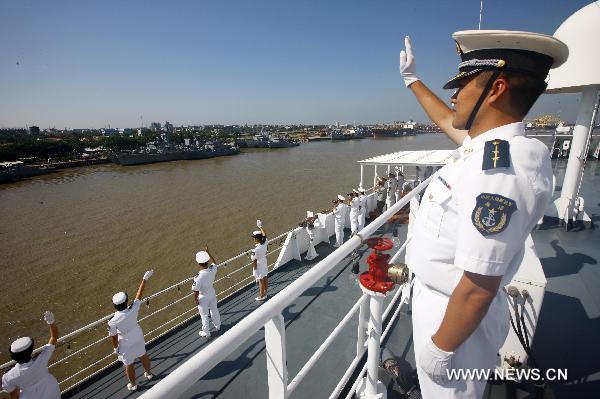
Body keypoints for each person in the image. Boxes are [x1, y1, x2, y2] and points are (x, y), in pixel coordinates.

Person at [399, 30, 567, 399]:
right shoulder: (495, 147)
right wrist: (412, 81)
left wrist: (441, 348)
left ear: (496, 88)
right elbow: (448, 120)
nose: (454, 96)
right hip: (446, 306)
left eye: (462, 85)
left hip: (456, 320)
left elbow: (478, 287)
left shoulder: (500, 171)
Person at [108, 270, 154, 391]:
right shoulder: (133, 308)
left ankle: (133, 385)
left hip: (124, 340)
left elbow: (113, 337)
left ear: (114, 305)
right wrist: (145, 278)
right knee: (143, 355)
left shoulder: (112, 321)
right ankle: (149, 374)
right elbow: (140, 293)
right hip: (137, 333)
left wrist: (115, 348)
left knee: (128, 364)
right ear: (126, 301)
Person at [2, 311, 61, 399]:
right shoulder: (42, 359)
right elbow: (54, 337)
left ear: (13, 357)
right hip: (52, 391)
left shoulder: (8, 377)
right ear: (31, 351)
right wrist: (51, 322)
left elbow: (14, 396)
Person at [193, 246, 221, 338]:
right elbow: (214, 262)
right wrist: (208, 253)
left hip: (203, 297)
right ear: (207, 261)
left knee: (204, 315)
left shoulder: (198, 276)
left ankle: (206, 332)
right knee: (214, 310)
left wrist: (196, 299)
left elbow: (196, 290)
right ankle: (217, 325)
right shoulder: (212, 270)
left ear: (199, 263)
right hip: (211, 293)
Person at [251, 219, 269, 301]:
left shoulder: (256, 249)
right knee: (265, 277)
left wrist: (255, 270)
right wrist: (260, 227)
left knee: (260, 281)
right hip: (264, 261)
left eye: (254, 238)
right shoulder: (265, 242)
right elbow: (264, 235)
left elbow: (254, 261)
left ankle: (262, 296)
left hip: (259, 265)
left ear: (257, 239)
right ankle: (265, 292)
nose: (253, 239)